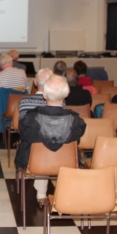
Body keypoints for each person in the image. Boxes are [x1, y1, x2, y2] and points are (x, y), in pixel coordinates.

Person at [14, 75, 86, 203]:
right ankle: (64, 192)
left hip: (37, 164)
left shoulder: (30, 119)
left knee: (37, 148)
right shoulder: (76, 121)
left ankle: (41, 193)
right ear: (67, 94)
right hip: (67, 163)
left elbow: (24, 136)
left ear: (44, 95)